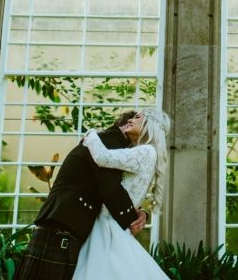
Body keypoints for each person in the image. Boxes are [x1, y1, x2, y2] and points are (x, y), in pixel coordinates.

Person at [14, 111, 149, 280]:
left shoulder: (104, 141)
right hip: (61, 229)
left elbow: (110, 186)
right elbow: (111, 189)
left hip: (59, 227)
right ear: (125, 124)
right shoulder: (108, 142)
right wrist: (131, 219)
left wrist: (141, 211)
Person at [72, 108, 171, 280]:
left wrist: (91, 133)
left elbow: (102, 157)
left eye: (137, 118)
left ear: (150, 126)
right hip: (112, 226)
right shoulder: (144, 153)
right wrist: (142, 212)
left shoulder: (146, 151)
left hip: (107, 227)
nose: (131, 120)